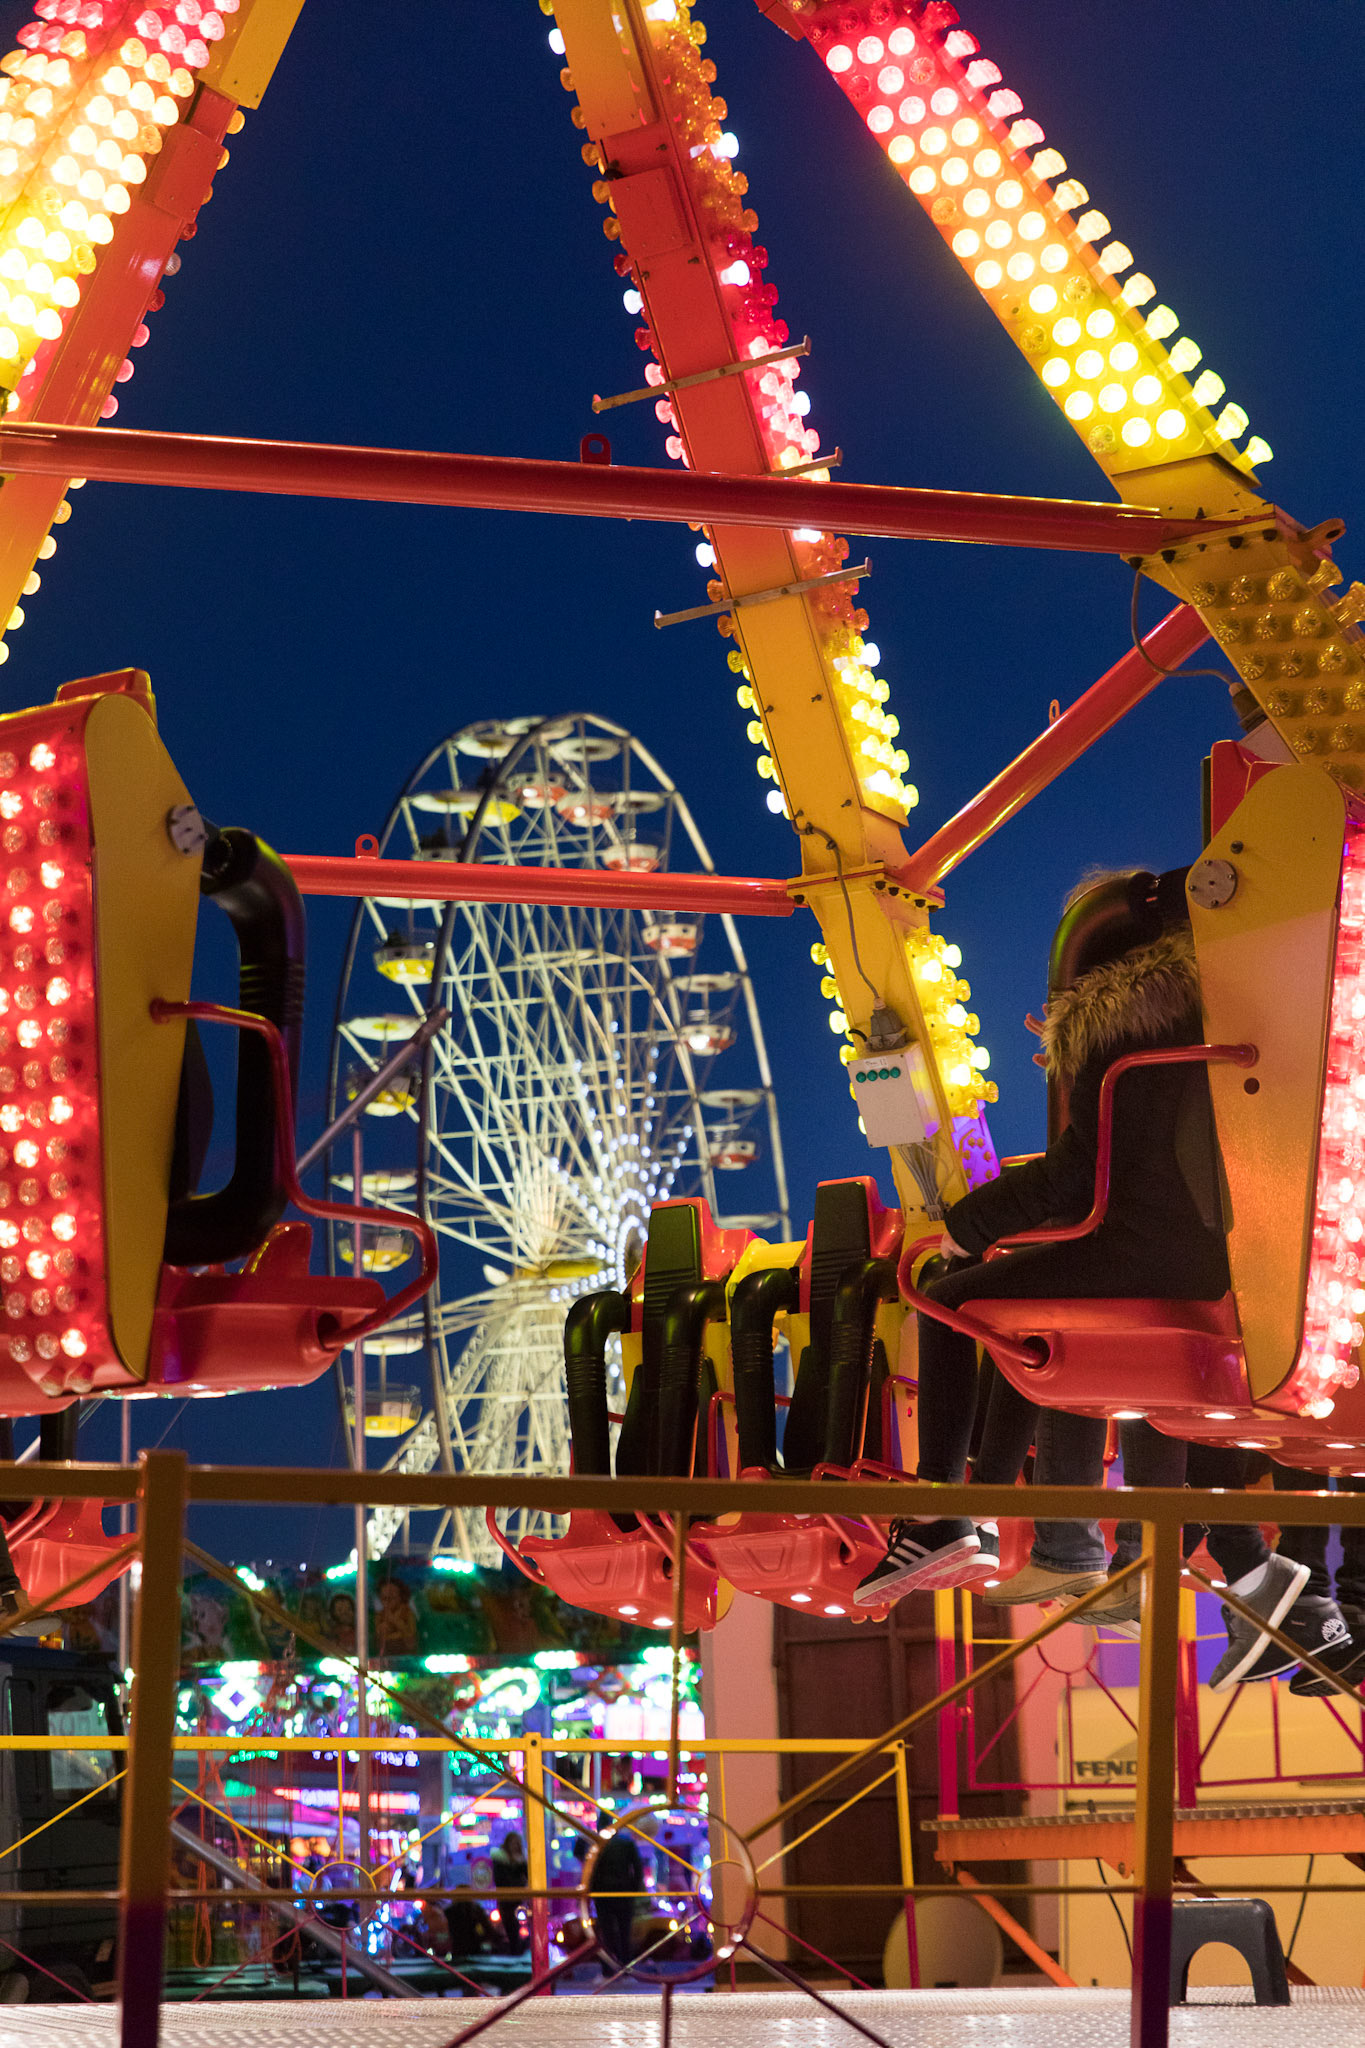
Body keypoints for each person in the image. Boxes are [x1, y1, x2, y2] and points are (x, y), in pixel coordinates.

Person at [855, 884, 1331, 1680]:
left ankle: (947, 1504)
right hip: (1226, 1265)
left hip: (1134, 1258)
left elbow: (1074, 1179)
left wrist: (967, 1224)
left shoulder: (1118, 1033)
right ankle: (1022, 1521)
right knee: (1014, 1311)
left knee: (945, 1295)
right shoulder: (1223, 1013)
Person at [588, 1825, 644, 1974]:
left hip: (602, 1893)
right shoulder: (626, 1843)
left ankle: (608, 1968)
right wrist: (634, 1888)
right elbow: (637, 1867)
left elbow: (591, 1869)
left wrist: (592, 1890)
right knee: (624, 1931)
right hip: (623, 1891)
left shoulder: (597, 1844)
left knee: (606, 1932)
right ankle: (626, 1966)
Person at [489, 1830, 528, 1954]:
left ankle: (515, 1950)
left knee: (515, 1928)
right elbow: (502, 1881)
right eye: (513, 1844)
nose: (515, 1847)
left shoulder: (519, 1861)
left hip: (515, 1899)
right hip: (507, 1899)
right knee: (511, 1927)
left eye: (517, 1844)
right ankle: (514, 1951)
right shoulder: (501, 1861)